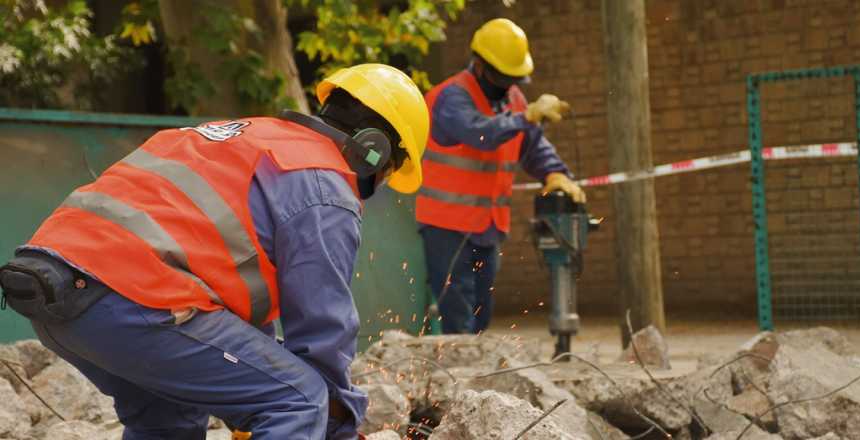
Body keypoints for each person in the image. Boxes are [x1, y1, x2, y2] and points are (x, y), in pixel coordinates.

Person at [0, 64, 428, 439]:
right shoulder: (324, 182)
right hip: (131, 297)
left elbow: (229, 320)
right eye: (390, 171)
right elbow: (322, 331)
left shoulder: (244, 137)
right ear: (376, 151)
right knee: (299, 401)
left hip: (54, 286)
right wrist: (338, 423)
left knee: (168, 419)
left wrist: (259, 376)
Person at [416, 18, 586, 334]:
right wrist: (527, 116)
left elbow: (532, 145)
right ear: (479, 65)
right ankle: (459, 380)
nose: (508, 84)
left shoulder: (514, 101)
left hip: (487, 225)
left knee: (481, 314)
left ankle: (473, 378)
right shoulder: (451, 98)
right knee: (459, 316)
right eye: (502, 77)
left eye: (513, 78)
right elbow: (481, 134)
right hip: (447, 228)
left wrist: (555, 174)